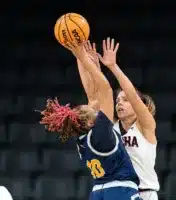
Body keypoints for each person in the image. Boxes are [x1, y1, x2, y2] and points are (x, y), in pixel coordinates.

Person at [38, 39, 142, 200]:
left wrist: (79, 58)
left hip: (97, 192)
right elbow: (106, 90)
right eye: (90, 109)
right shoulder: (101, 134)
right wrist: (84, 58)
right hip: (119, 191)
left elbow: (93, 95)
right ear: (91, 122)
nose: (93, 105)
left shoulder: (83, 137)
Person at [97, 38, 160, 200]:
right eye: (118, 100)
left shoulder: (146, 126)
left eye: (125, 100)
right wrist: (91, 66)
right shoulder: (113, 127)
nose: (119, 103)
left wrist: (113, 66)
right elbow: (99, 94)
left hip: (144, 192)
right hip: (119, 192)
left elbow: (131, 93)